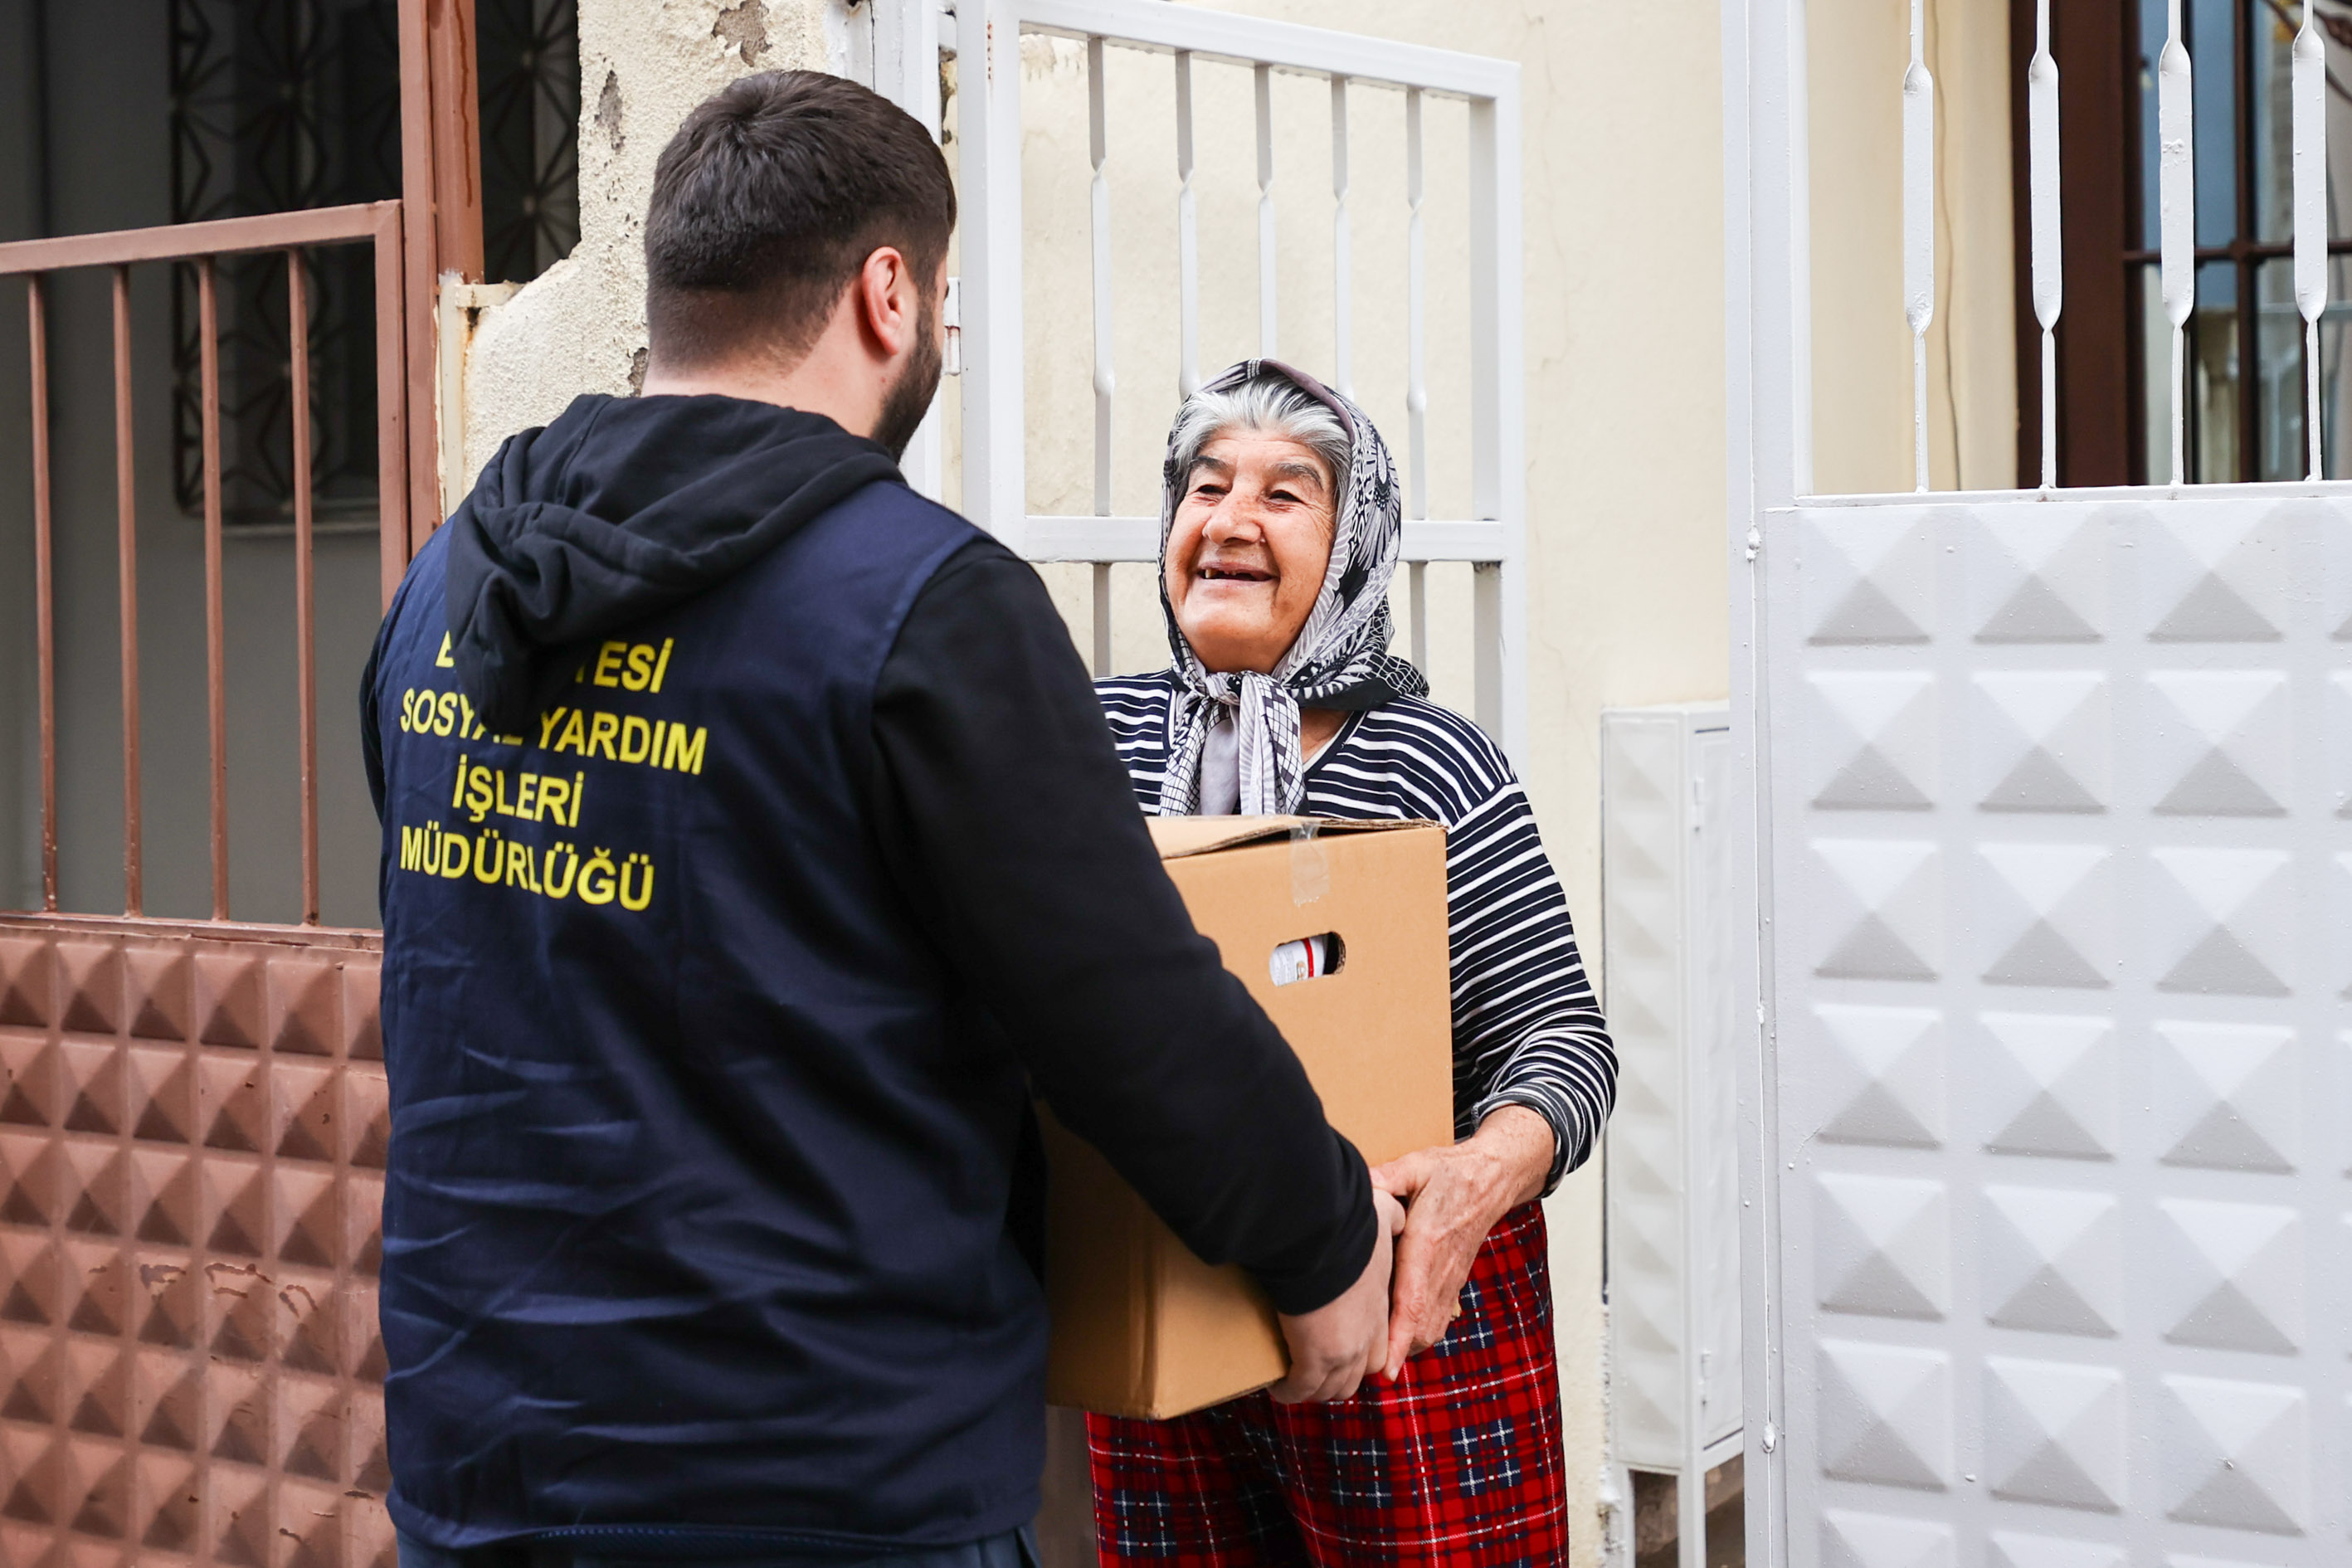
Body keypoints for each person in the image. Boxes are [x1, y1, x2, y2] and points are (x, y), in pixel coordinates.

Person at [362, 75, 1403, 1568]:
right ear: (887, 291)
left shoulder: (443, 588)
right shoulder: (922, 600)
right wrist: (1327, 1237)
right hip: (817, 1482)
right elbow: (1126, 1008)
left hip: (481, 1467)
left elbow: (463, 963)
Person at [1088, 360, 1618, 1566]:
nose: (1229, 520)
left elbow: (1564, 1042)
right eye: (1206, 485)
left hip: (1402, 1331)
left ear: (1356, 545)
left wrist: (1479, 1180)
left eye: (1286, 495)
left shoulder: (1432, 765)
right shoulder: (1094, 738)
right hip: (1168, 1296)